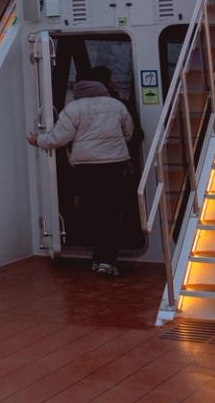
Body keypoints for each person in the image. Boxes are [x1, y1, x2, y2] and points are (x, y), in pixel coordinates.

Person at [28, 79, 136, 275]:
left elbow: (59, 138)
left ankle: (99, 258)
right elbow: (128, 132)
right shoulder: (116, 105)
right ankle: (107, 260)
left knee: (94, 211)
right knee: (111, 213)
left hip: (87, 167)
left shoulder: (74, 108)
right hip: (115, 165)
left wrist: (38, 141)